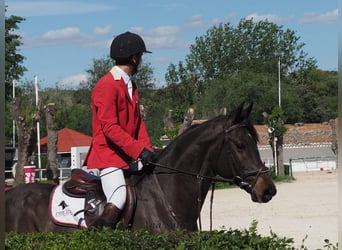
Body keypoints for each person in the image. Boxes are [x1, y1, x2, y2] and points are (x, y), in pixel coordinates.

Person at [83, 31, 155, 229]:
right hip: (109, 156)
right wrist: (139, 151)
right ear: (134, 58)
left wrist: (149, 152)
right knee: (119, 196)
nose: (141, 62)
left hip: (127, 155)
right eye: (140, 57)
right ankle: (101, 238)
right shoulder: (106, 85)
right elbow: (109, 128)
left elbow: (138, 124)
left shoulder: (131, 85)